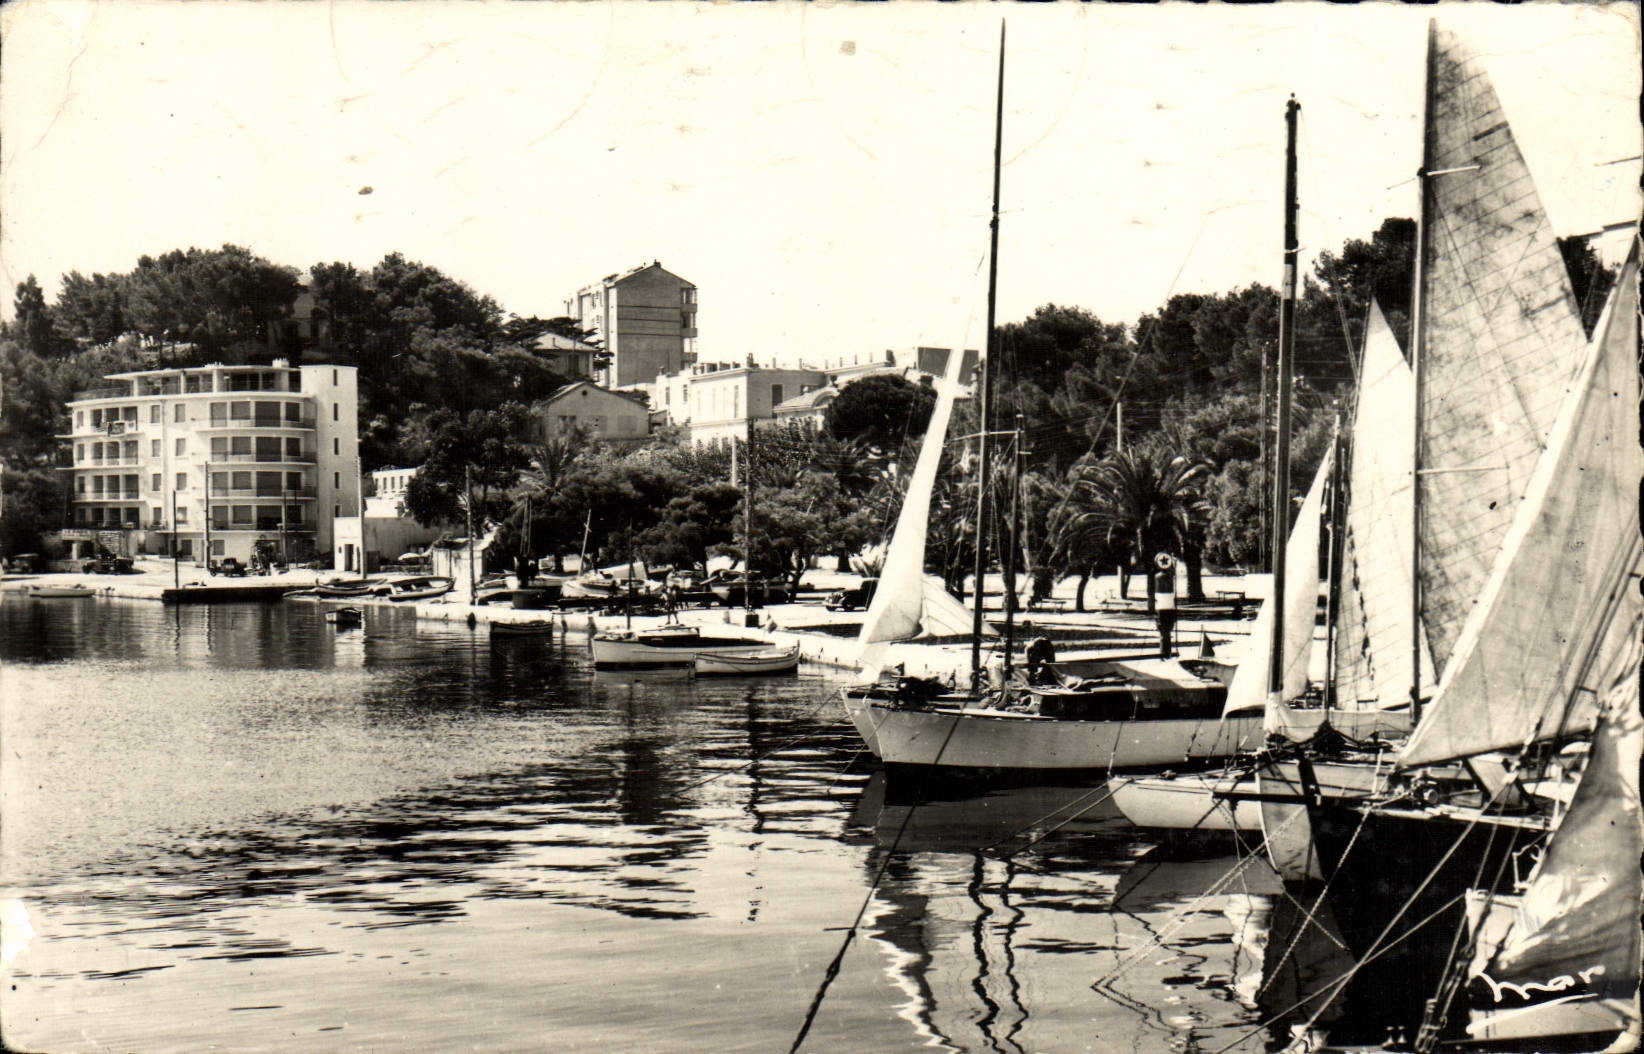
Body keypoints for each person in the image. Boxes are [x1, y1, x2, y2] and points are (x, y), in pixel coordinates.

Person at [1152, 552, 1177, 659]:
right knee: (1166, 631)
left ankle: (1164, 652)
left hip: (1161, 608)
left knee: (1163, 632)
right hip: (1169, 607)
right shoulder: (1169, 577)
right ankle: (1167, 652)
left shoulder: (1157, 577)